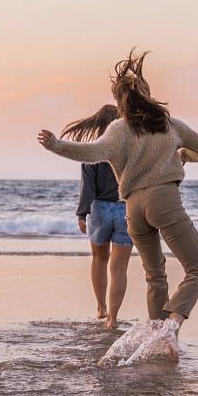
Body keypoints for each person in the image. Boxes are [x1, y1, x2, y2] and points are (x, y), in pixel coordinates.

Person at [36, 49, 198, 362]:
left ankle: (164, 343)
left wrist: (55, 145)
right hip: (163, 200)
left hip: (133, 208)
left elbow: (90, 153)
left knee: (155, 275)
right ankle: (171, 326)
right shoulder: (170, 125)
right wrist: (185, 156)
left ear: (122, 102)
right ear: (148, 96)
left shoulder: (119, 129)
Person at [64, 104, 133, 330]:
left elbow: (88, 188)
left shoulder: (93, 150)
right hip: (126, 209)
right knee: (119, 267)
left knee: (99, 259)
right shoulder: (129, 149)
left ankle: (101, 307)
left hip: (99, 210)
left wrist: (82, 213)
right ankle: (113, 318)